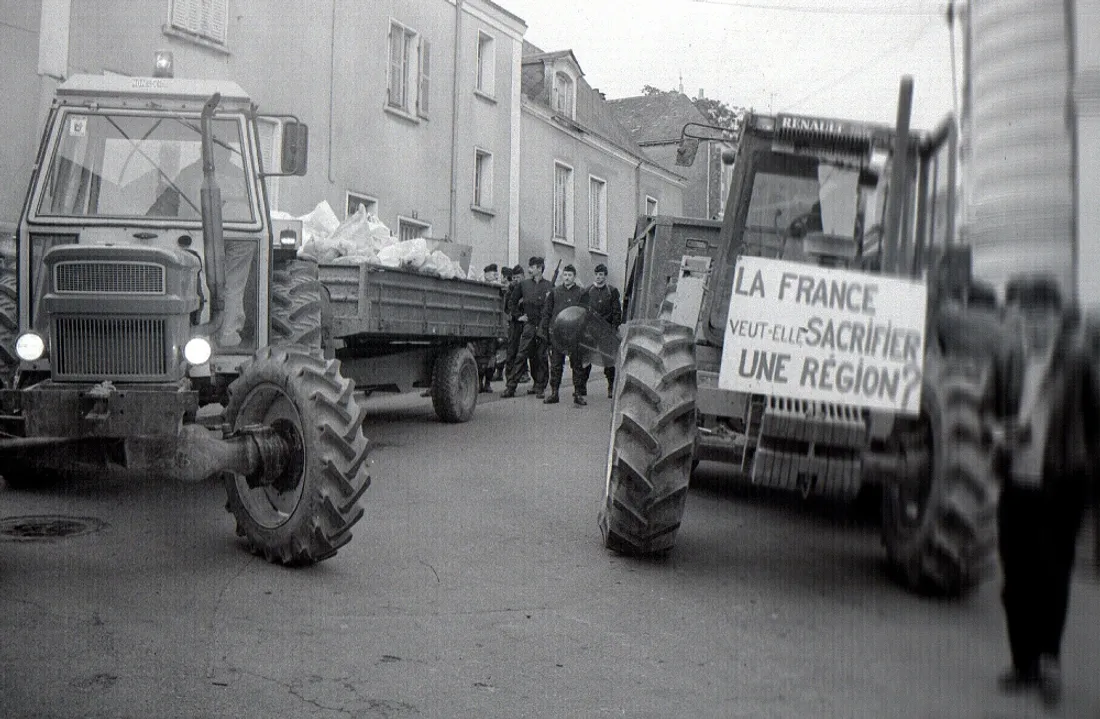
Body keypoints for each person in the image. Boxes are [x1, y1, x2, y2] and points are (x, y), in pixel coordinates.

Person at [980, 274, 1100, 708]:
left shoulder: (1077, 362)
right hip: (1017, 484)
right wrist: (997, 432)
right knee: (1015, 579)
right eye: (1028, 316)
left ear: (1058, 318)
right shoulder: (1008, 359)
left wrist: (1085, 473)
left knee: (1052, 576)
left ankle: (1049, 663)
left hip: (1061, 487)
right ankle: (1023, 663)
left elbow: (1094, 419)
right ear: (1019, 318)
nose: (1036, 325)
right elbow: (984, 412)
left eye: (1044, 316)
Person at [148, 141, 254, 347]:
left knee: (200, 280)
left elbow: (165, 206)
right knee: (232, 283)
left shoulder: (188, 174)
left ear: (202, 152)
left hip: (198, 234)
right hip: (239, 233)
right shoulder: (241, 175)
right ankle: (227, 334)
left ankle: (196, 335)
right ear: (228, 155)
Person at [501, 256, 552, 399]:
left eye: (532, 267)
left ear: (540, 268)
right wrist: (518, 316)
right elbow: (511, 302)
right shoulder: (523, 285)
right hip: (529, 325)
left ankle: (540, 387)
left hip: (542, 325)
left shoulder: (549, 286)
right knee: (521, 354)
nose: (529, 270)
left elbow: (552, 307)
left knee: (540, 357)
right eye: (529, 267)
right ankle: (511, 387)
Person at [541, 264, 589, 406]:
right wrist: (546, 332)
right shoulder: (555, 292)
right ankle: (554, 393)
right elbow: (547, 313)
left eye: (570, 275)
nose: (567, 278)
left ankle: (578, 394)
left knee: (577, 365)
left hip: (575, 334)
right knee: (556, 365)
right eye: (565, 275)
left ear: (574, 277)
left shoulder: (581, 293)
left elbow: (587, 313)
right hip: (558, 335)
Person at [582, 263, 623, 398]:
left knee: (608, 360)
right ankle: (582, 387)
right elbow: (583, 310)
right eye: (597, 274)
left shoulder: (612, 291)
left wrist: (613, 328)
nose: (599, 277)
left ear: (605, 276)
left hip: (606, 331)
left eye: (601, 275)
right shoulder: (588, 291)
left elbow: (617, 312)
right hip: (591, 331)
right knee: (587, 358)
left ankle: (611, 387)